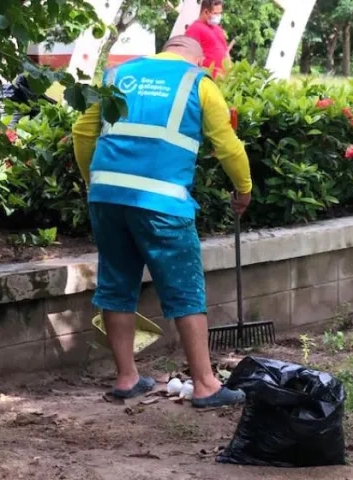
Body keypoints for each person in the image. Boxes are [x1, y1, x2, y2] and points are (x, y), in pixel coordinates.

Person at [71, 35, 252, 408]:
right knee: (184, 287)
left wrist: (95, 183)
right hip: (162, 202)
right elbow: (228, 146)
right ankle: (205, 384)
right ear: (197, 57)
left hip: (107, 197)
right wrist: (244, 189)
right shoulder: (198, 83)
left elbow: (82, 132)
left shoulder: (116, 75)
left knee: (117, 282)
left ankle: (126, 378)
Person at [185, 0, 233, 78]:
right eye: (215, 13)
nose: (218, 16)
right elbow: (189, 56)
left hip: (223, 79)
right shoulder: (194, 28)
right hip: (206, 78)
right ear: (206, 12)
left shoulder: (217, 29)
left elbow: (225, 51)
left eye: (220, 13)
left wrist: (230, 71)